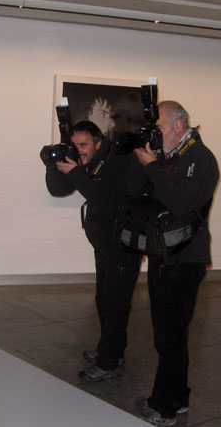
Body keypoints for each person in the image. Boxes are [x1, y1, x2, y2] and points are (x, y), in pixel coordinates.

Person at [128, 101, 219, 426]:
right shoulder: (172, 157)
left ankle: (163, 407)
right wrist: (149, 163)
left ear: (179, 126)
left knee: (170, 335)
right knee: (167, 333)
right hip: (165, 254)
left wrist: (153, 167)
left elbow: (181, 203)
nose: (156, 135)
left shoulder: (199, 158)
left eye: (160, 128)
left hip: (184, 259)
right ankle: (177, 397)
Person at [44, 120, 141, 382]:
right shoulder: (90, 161)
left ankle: (109, 362)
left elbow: (105, 201)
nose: (78, 150)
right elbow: (58, 190)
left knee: (115, 302)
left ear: (98, 143)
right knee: (103, 298)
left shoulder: (118, 161)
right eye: (74, 145)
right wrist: (53, 165)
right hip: (105, 243)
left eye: (83, 144)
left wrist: (77, 172)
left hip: (124, 245)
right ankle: (110, 349)